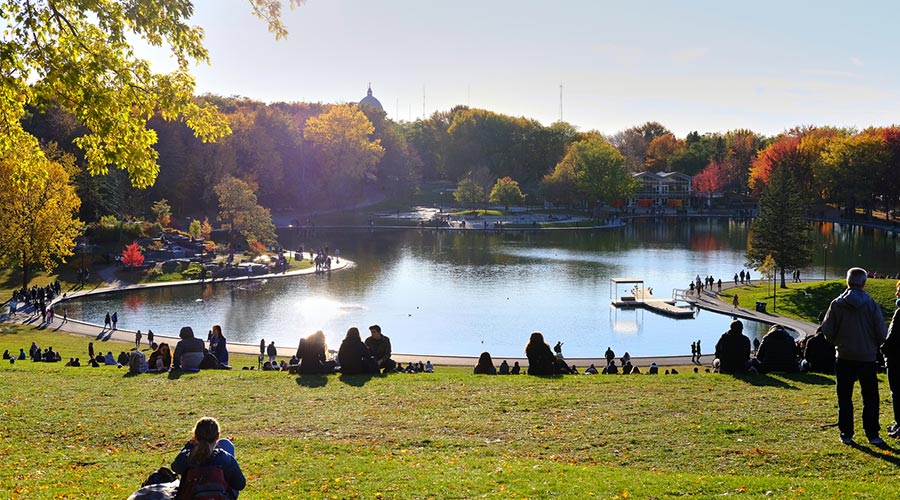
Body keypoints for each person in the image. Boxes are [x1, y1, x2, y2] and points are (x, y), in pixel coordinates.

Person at [821, 267, 888, 446]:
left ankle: (846, 433)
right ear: (864, 283)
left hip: (844, 355)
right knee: (870, 397)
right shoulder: (871, 305)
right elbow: (882, 332)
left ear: (848, 281)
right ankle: (872, 434)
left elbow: (827, 329)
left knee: (844, 396)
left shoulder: (837, 304)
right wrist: (873, 345)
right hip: (867, 356)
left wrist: (837, 342)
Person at [171, 417, 245, 499]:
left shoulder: (187, 456)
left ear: (195, 436)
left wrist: (188, 446)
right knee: (226, 443)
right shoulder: (224, 457)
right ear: (217, 436)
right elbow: (240, 484)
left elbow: (175, 468)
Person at [881, 280, 900, 439]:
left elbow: (892, 339)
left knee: (897, 393)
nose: (896, 294)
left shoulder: (899, 313)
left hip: (897, 360)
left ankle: (899, 423)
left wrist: (883, 350)